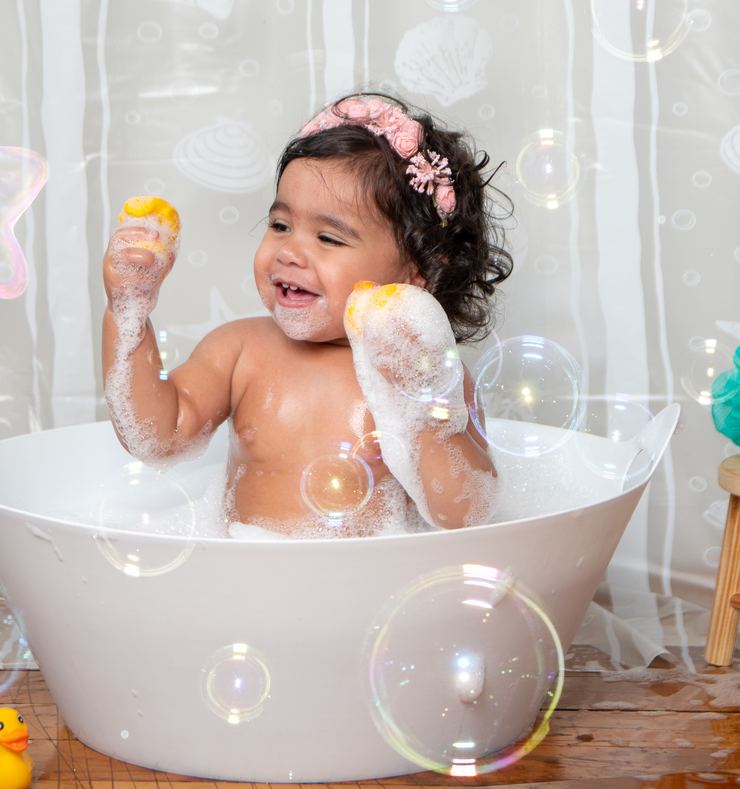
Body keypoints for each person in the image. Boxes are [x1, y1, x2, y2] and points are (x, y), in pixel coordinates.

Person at [100, 94, 512, 537]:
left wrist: (422, 398)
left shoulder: (427, 373)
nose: (290, 252)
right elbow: (157, 437)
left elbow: (464, 512)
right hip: (250, 580)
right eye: (280, 225)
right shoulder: (240, 349)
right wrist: (127, 311)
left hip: (371, 588)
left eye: (329, 238)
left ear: (417, 274)